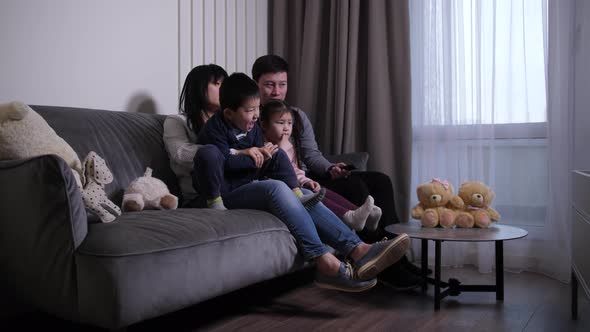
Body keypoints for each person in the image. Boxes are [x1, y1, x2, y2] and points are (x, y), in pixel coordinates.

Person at [164, 65, 411, 292]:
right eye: (217, 84)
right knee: (275, 188)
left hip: (242, 182)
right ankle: (324, 261)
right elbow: (184, 155)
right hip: (208, 193)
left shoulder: (244, 121)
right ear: (199, 88)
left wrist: (262, 155)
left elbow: (257, 155)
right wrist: (236, 152)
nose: (224, 87)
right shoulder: (182, 122)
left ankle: (360, 250)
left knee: (303, 195)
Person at [251, 55, 425, 290]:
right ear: (257, 85)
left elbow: (312, 155)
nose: (276, 91)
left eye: (282, 84)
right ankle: (387, 270)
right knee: (357, 188)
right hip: (295, 181)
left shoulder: (296, 115)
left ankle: (398, 260)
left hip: (310, 174)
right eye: (269, 85)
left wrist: (330, 168)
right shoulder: (255, 118)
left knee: (381, 180)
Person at [194, 72, 324, 211]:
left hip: (245, 175)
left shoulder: (251, 126)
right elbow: (226, 162)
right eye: (250, 110)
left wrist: (264, 151)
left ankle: (297, 195)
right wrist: (250, 155)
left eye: (258, 108)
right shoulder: (214, 129)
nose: (256, 115)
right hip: (225, 184)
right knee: (209, 152)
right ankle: (215, 202)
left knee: (277, 153)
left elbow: (258, 153)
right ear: (229, 114)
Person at [260, 99, 381, 232]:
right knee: (313, 193)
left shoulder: (289, 146)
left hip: (296, 184)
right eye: (280, 123)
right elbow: (282, 173)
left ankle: (358, 212)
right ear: (264, 125)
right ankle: (348, 215)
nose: (286, 128)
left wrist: (307, 180)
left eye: (289, 123)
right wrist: (282, 150)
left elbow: (295, 170)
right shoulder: (267, 148)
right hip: (283, 189)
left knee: (320, 189)